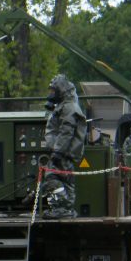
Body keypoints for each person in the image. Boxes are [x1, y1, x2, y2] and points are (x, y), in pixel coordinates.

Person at [40, 74, 86, 219]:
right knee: (66, 182)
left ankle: (62, 208)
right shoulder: (65, 106)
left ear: (61, 90)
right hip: (64, 152)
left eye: (53, 91)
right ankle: (66, 209)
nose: (51, 94)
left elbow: (66, 131)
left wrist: (58, 152)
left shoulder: (68, 107)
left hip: (63, 152)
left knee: (51, 177)